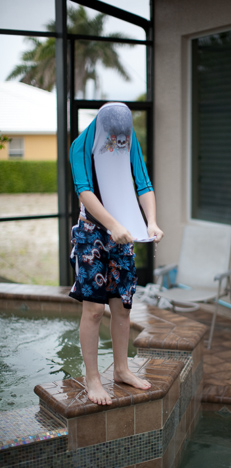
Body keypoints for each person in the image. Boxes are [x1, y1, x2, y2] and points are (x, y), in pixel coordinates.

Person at [68, 102, 163, 405]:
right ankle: (93, 378)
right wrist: (112, 225)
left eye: (123, 137)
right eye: (114, 137)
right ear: (102, 127)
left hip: (123, 234)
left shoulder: (128, 142)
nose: (118, 143)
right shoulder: (80, 146)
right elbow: (84, 190)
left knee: (122, 308)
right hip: (92, 234)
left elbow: (143, 183)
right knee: (94, 309)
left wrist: (151, 223)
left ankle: (121, 369)